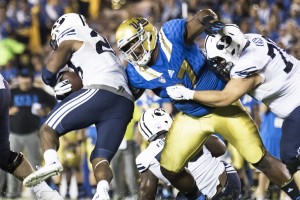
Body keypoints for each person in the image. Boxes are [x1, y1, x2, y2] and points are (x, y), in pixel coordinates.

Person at [115, 10, 299, 199]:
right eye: (128, 49)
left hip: (222, 107)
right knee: (169, 168)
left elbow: (202, 16)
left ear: (148, 35)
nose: (133, 53)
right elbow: (124, 98)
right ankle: (198, 197)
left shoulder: (169, 35)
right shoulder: (136, 73)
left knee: (260, 159)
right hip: (191, 116)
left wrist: (210, 22)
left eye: (135, 45)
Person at [166, 23, 300, 190]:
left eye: (219, 60)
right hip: (295, 104)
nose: (218, 64)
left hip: (297, 106)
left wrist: (188, 94)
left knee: (292, 155)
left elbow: (225, 98)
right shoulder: (251, 39)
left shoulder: (247, 65)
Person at [23, 13, 134, 200]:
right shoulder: (97, 37)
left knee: (47, 130)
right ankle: (103, 192)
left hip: (101, 91)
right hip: (124, 101)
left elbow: (49, 71)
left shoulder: (71, 36)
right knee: (100, 158)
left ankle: (51, 162)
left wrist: (51, 80)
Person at [136, 107, 241, 200]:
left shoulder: (146, 157)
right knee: (222, 164)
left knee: (182, 195)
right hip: (231, 183)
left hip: (202, 194)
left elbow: (146, 194)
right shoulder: (187, 127)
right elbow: (221, 149)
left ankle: (197, 196)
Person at [0, 72, 62, 199]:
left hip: (32, 133)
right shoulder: (13, 91)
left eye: (27, 77)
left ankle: (38, 194)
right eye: (23, 78)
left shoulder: (38, 92)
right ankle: (19, 193)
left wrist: (45, 111)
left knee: (34, 161)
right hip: (13, 132)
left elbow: (53, 103)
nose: (25, 81)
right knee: (6, 158)